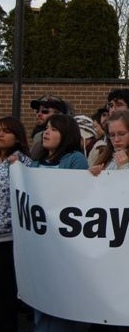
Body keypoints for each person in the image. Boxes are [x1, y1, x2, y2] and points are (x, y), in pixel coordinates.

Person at [29, 114, 88, 332]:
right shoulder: (35, 162)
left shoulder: (75, 160)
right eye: (46, 128)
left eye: (53, 129)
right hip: (40, 247)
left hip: (63, 248)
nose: (46, 132)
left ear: (66, 135)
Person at [0, 117, 32, 332]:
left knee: (4, 297)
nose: (1, 134)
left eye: (6, 131)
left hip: (8, 239)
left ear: (17, 136)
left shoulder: (22, 162)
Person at [29, 95, 69, 159]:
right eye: (37, 111)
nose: (39, 114)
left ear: (59, 115)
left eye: (45, 111)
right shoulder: (37, 135)